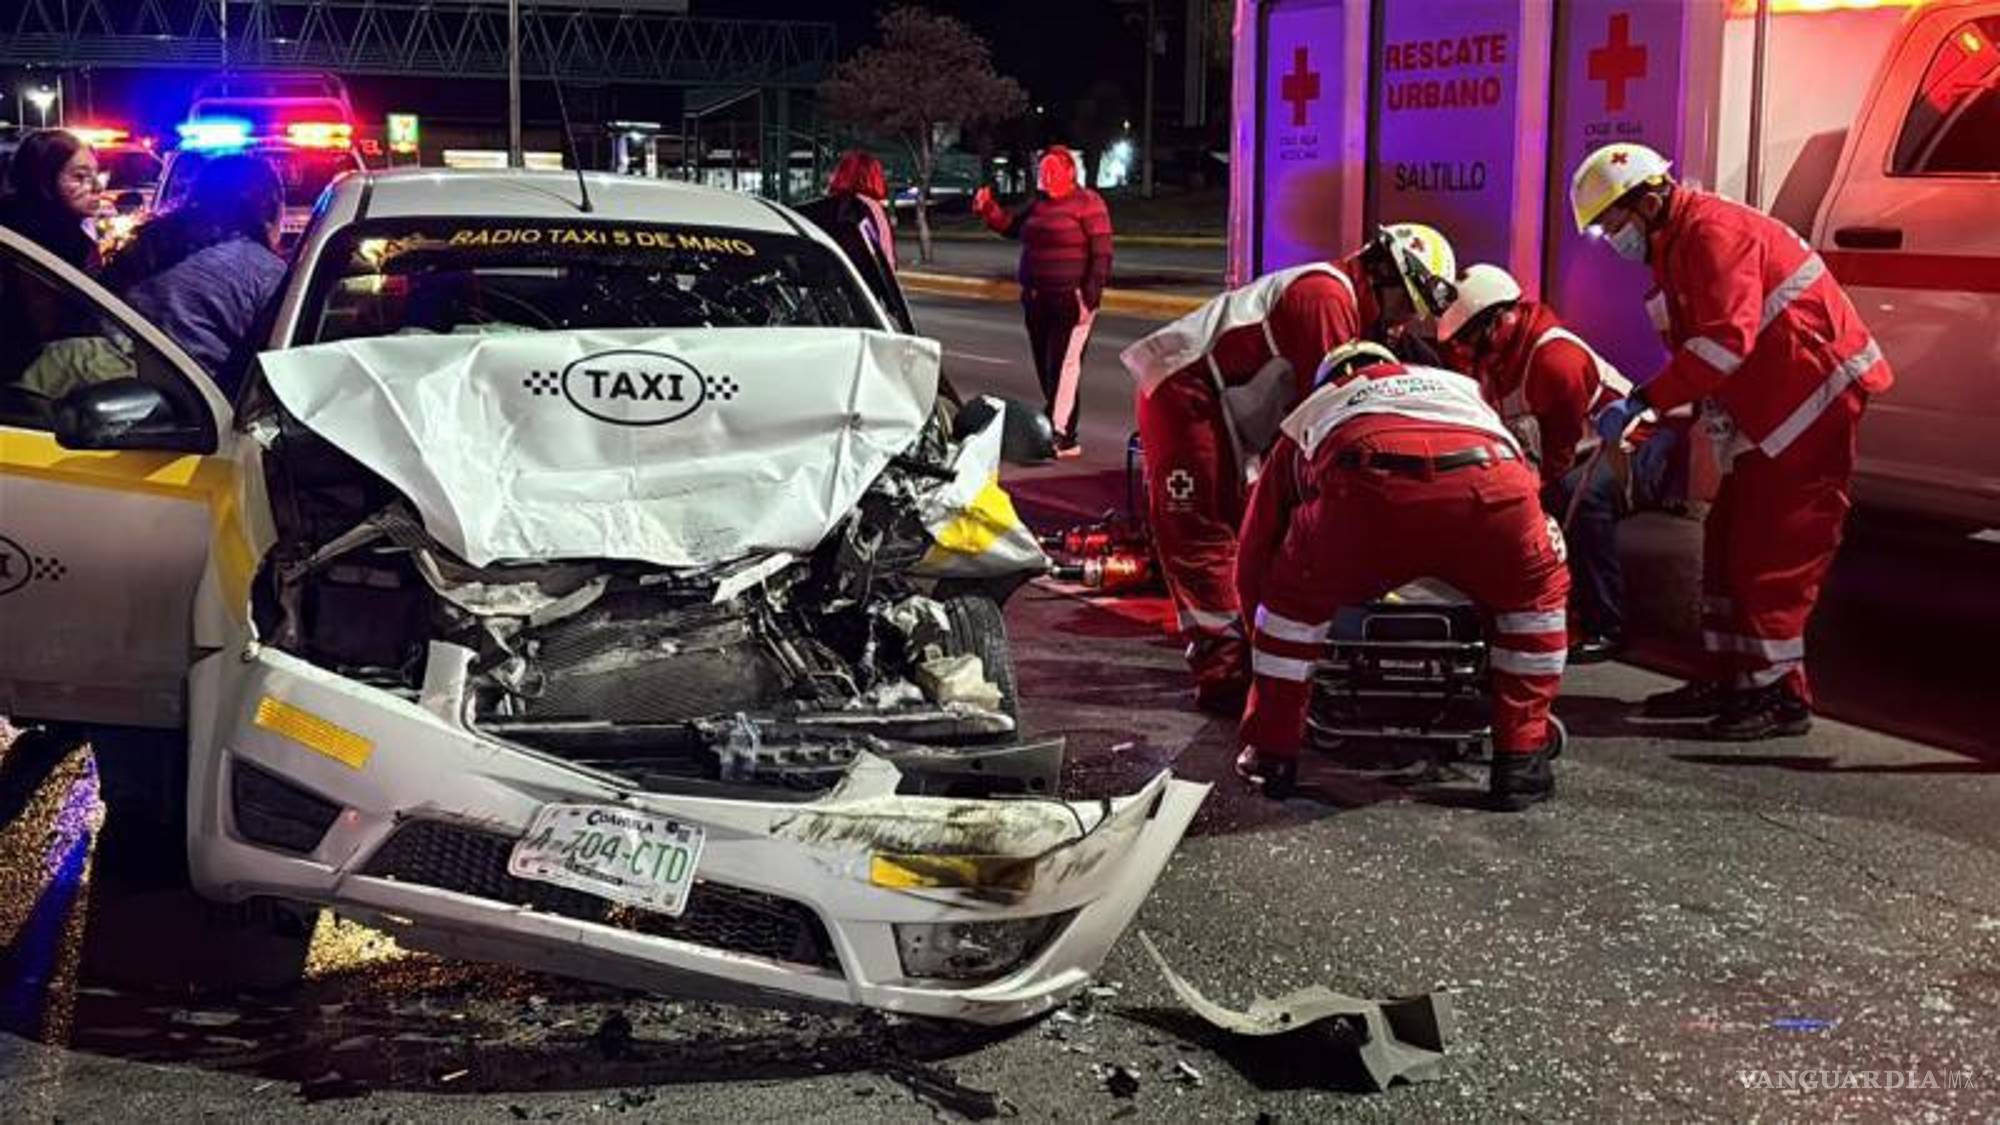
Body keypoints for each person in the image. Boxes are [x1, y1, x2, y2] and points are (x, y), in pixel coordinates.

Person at [1572, 142, 1892, 740]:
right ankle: (1730, 677)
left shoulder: (1712, 235)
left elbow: (1723, 343)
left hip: (1808, 400)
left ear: (1648, 200)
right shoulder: (1677, 244)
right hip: (1772, 406)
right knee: (1725, 546)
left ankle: (1779, 695)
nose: (1613, 238)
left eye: (1614, 224)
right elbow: (1704, 350)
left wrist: (1645, 399)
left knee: (1773, 553)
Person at [1119, 224, 1457, 714]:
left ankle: (1261, 648)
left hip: (1221, 402)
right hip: (1184, 392)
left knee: (1251, 524)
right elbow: (1332, 418)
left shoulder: (1342, 303)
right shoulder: (1325, 299)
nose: (1404, 324)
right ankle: (1225, 669)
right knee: (1201, 528)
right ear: (1383, 273)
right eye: (1405, 306)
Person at [1234, 341, 1571, 810]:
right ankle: (1522, 759)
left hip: (1366, 489)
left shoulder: (1314, 413)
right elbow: (1523, 479)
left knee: (1290, 610)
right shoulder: (1464, 391)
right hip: (1493, 482)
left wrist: (1259, 630)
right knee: (1535, 602)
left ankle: (1273, 757)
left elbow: (1256, 545)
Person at [1438, 263, 1677, 663]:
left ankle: (1605, 624)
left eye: (1467, 338)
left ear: (1499, 320)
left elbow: (1559, 457)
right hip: (1575, 448)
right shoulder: (1492, 356)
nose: (1461, 349)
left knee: (1577, 500)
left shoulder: (1553, 360)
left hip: (1634, 442)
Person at [102, 153, 287, 396]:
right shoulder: (265, 272)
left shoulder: (150, 241)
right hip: (200, 408)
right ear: (270, 208)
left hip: (121, 383)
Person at [972, 145, 1113, 457]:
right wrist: (988, 209)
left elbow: (1102, 253)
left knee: (1063, 366)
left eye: (1050, 170)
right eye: (1041, 170)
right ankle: (1058, 427)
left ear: (1069, 172)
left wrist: (1089, 296)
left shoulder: (1088, 204)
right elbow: (1011, 227)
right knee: (1046, 366)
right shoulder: (1039, 205)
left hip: (1070, 299)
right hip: (1037, 299)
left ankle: (1061, 434)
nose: (1044, 176)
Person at [796, 149, 914, 334]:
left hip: (836, 301)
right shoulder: (873, 210)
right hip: (866, 300)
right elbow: (885, 263)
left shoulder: (839, 208)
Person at [0, 128, 102, 273]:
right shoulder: (31, 245)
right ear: (45, 180)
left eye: (97, 174)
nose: (98, 187)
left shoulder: (71, 235)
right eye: (80, 176)